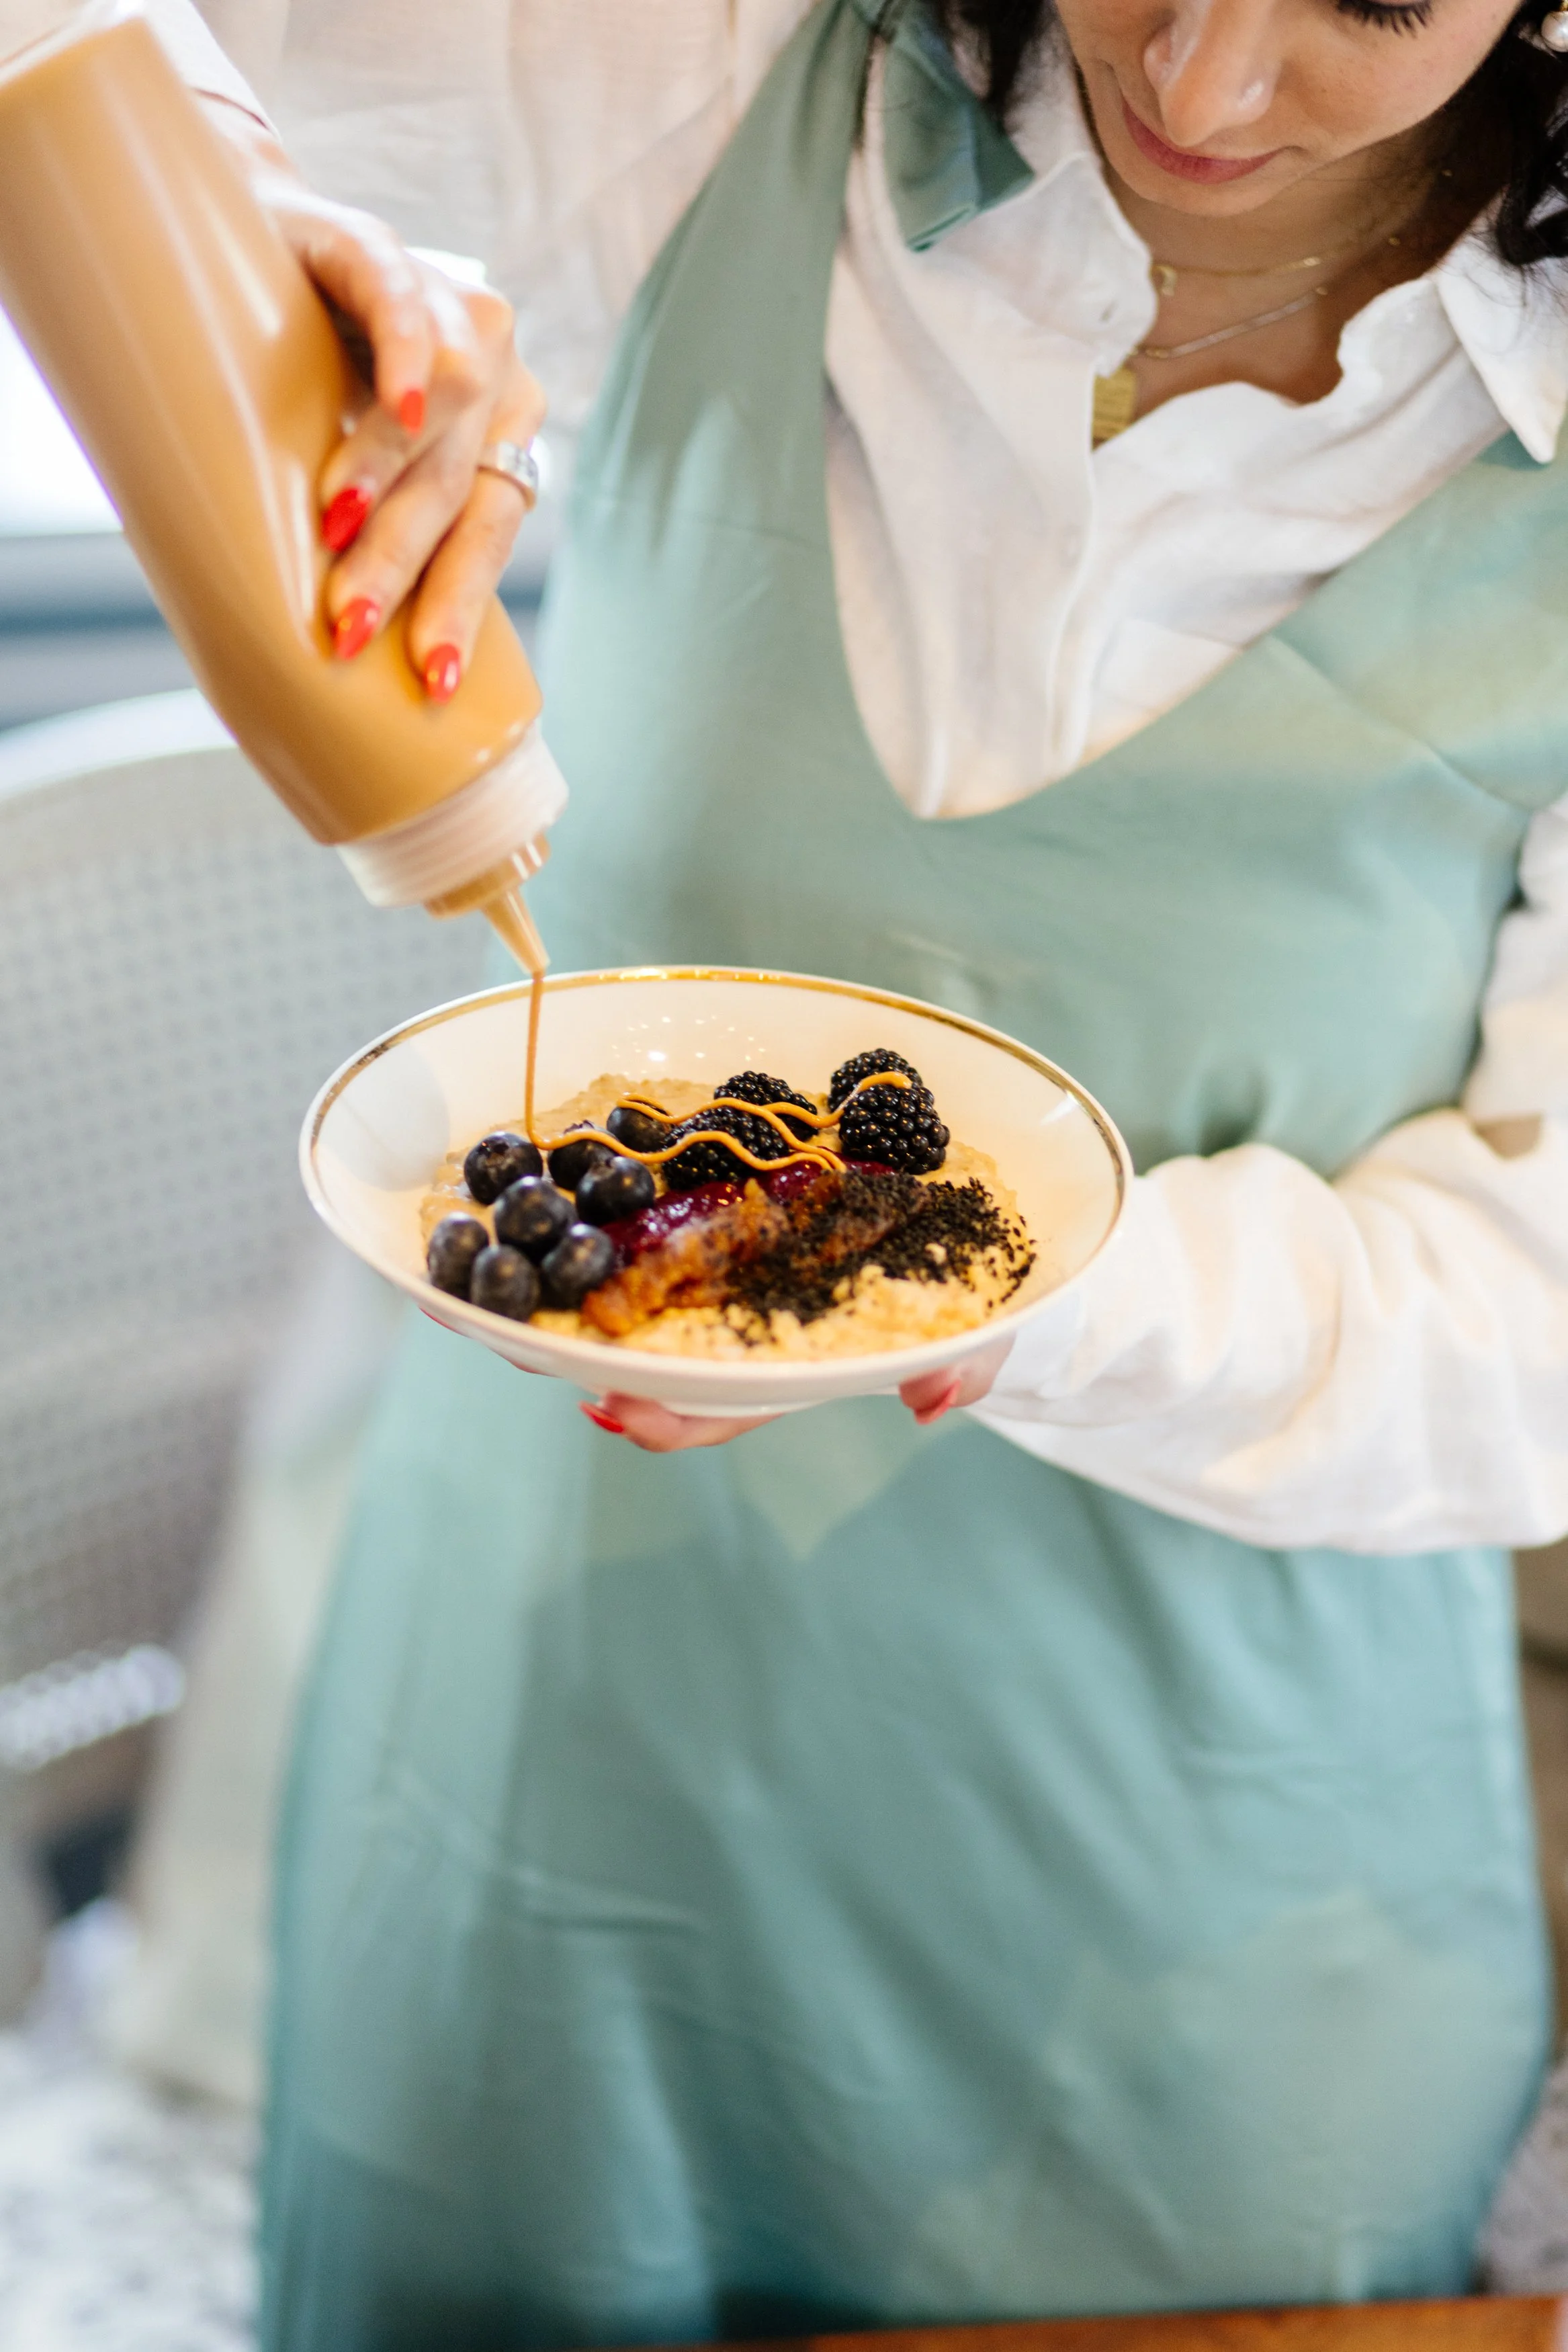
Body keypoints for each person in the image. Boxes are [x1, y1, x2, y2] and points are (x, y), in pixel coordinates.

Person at [95, 0, 1568, 2339]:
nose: (1194, 83)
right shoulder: (694, 85)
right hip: (538, 1775)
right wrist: (214, 191)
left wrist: (1016, 1288)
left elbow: (1537, 1331)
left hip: (1186, 1907)